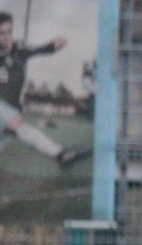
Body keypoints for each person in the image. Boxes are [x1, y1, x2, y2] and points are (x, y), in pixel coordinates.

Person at [0, 11, 85, 168]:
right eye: (1, 33)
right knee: (20, 128)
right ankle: (61, 154)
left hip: (11, 113)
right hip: (5, 113)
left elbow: (39, 49)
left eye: (9, 32)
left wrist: (53, 46)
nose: (7, 37)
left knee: (23, 131)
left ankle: (61, 155)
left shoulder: (19, 50)